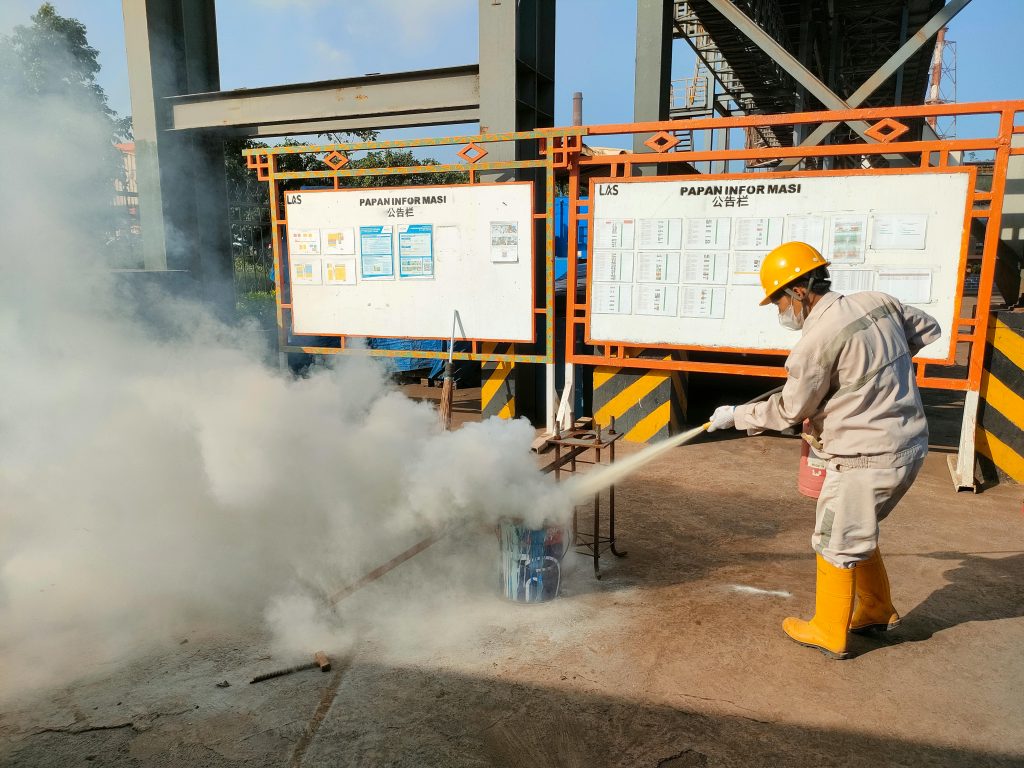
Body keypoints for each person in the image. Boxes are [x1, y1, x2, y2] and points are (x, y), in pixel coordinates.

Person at [707, 241, 941, 659]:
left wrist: (736, 416)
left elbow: (789, 410)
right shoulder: (878, 302)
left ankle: (829, 630)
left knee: (834, 539)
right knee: (857, 528)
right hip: (909, 444)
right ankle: (875, 608)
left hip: (864, 458)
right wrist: (877, 373)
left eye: (778, 301)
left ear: (798, 290)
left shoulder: (815, 341)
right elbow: (927, 329)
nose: (780, 310)